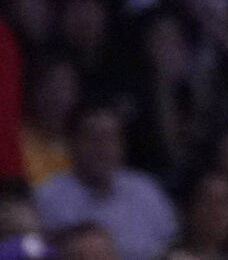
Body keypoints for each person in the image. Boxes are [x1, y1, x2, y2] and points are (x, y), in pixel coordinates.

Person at [32, 109, 177, 260]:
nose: (101, 147)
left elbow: (171, 245)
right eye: (92, 138)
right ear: (72, 142)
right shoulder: (46, 197)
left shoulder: (147, 191)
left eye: (110, 138)